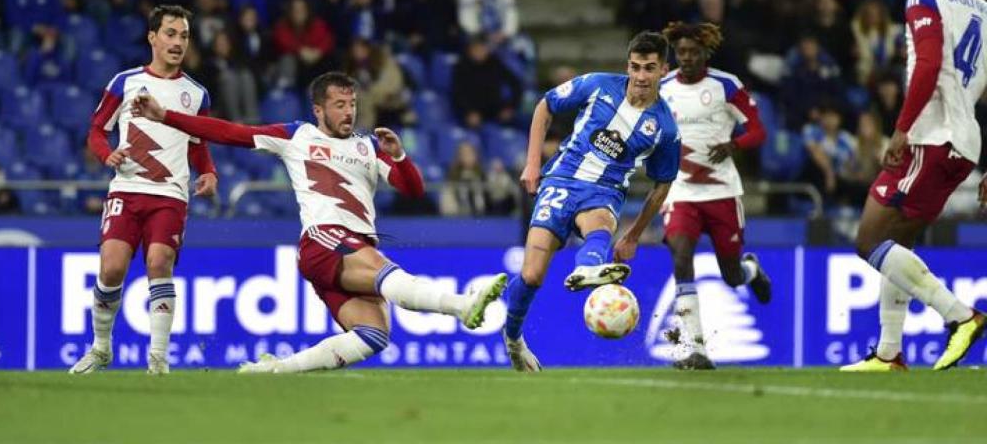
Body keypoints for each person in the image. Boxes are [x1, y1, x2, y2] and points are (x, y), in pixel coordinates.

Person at [131, 72, 507, 374]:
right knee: (383, 273)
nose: (349, 112)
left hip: (353, 249)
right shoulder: (297, 136)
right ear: (318, 110)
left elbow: (412, 189)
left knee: (374, 335)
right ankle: (461, 306)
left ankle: (277, 372)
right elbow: (231, 132)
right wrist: (166, 116)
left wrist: (401, 156)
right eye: (339, 105)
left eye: (353, 104)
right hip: (325, 240)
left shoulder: (369, 146)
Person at [841, 0, 987, 372]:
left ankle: (961, 316)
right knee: (898, 241)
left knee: (869, 241)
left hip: (931, 135)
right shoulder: (985, 13)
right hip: (964, 145)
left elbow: (926, 63)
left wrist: (902, 129)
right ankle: (889, 352)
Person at [503, 31, 681, 372]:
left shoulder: (665, 128)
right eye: (636, 67)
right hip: (561, 180)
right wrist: (532, 163)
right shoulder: (598, 85)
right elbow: (546, 105)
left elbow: (662, 184)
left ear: (664, 70)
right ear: (628, 66)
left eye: (649, 68)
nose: (641, 76)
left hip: (605, 191)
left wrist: (632, 235)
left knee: (598, 221)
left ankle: (587, 268)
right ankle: (513, 340)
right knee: (531, 276)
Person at [69, 5, 218, 375]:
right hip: (126, 190)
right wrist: (107, 155)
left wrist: (210, 172)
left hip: (170, 193)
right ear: (152, 37)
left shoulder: (196, 94)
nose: (178, 42)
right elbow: (96, 129)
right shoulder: (126, 82)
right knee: (112, 267)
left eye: (184, 35)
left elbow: (199, 141)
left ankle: (158, 359)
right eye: (170, 33)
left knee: (158, 263)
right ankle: (101, 348)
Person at [657, 21, 771, 370]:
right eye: (681, 52)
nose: (687, 58)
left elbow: (758, 130)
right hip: (681, 191)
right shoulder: (661, 89)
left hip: (722, 192)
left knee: (730, 275)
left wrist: (734, 143)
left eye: (694, 52)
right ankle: (696, 348)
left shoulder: (726, 86)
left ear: (706, 52)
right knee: (680, 257)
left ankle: (750, 270)